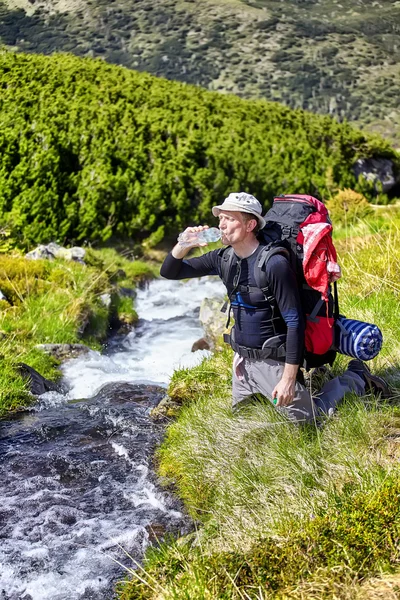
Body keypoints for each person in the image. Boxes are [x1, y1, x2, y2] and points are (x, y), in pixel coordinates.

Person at [160, 192, 390, 423]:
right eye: (220, 219)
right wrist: (183, 244)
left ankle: (355, 377)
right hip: (242, 363)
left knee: (309, 422)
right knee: (244, 422)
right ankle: (285, 389)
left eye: (229, 219)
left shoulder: (274, 264)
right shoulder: (223, 258)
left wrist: (288, 379)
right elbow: (170, 271)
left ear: (250, 224)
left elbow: (294, 321)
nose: (221, 225)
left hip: (273, 361)